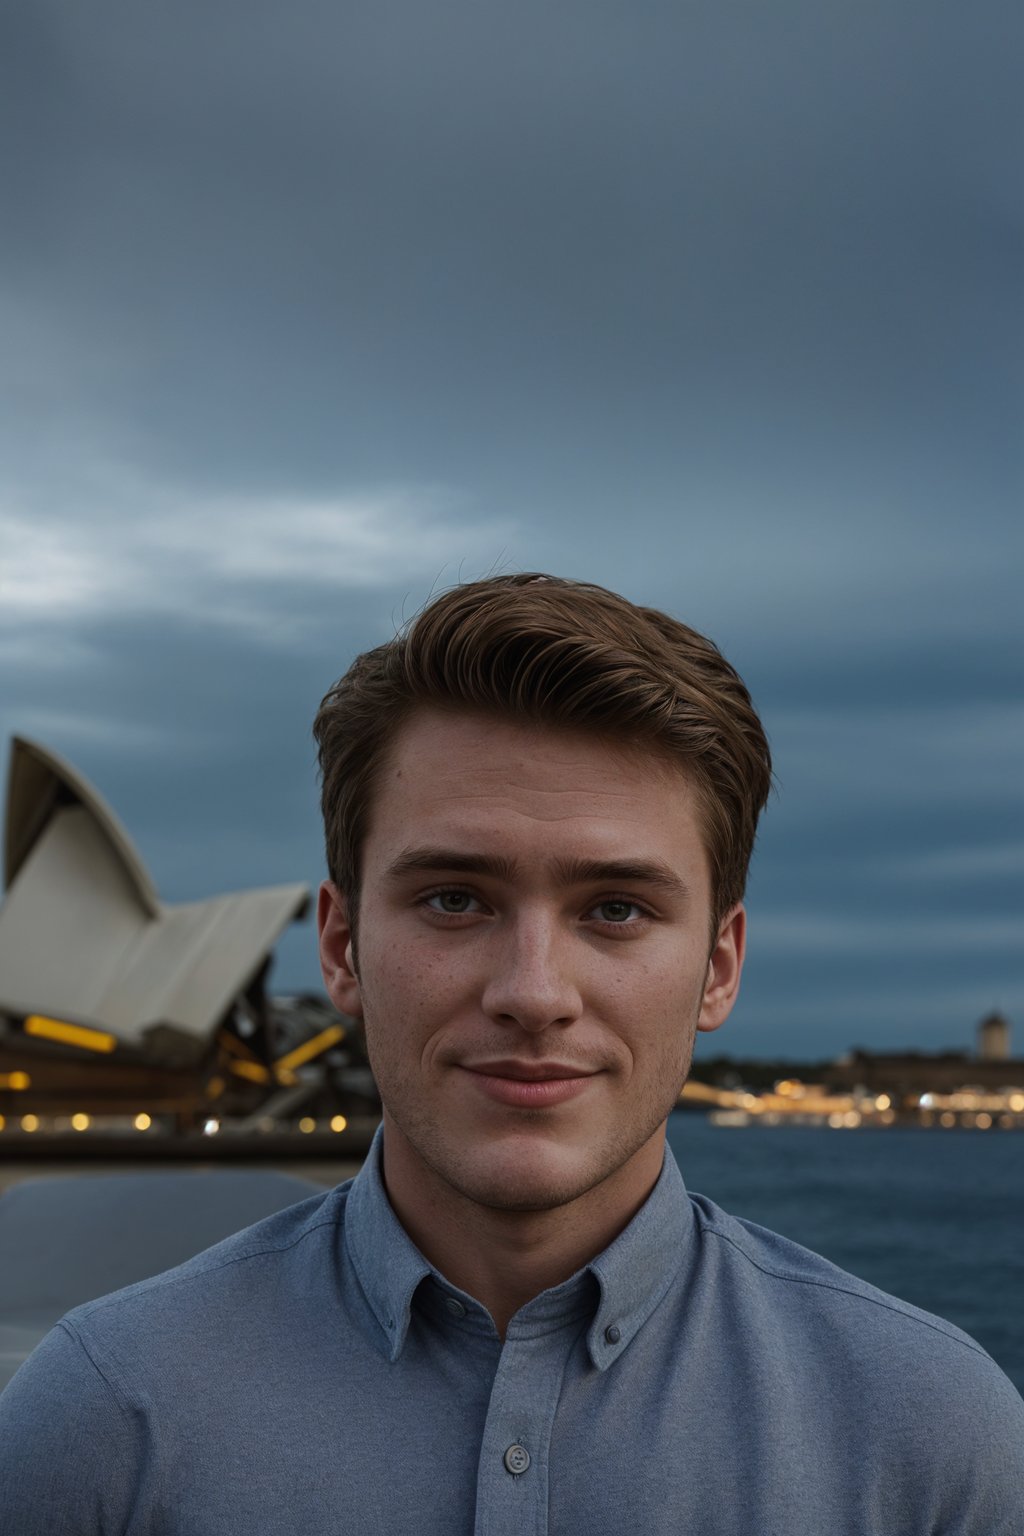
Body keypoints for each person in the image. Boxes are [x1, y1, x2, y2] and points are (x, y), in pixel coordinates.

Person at [1, 573, 1022, 1534]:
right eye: (454, 899)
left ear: (717, 968)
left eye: (615, 909)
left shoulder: (932, 1434)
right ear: (341, 946)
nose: (533, 993)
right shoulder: (104, 1412)